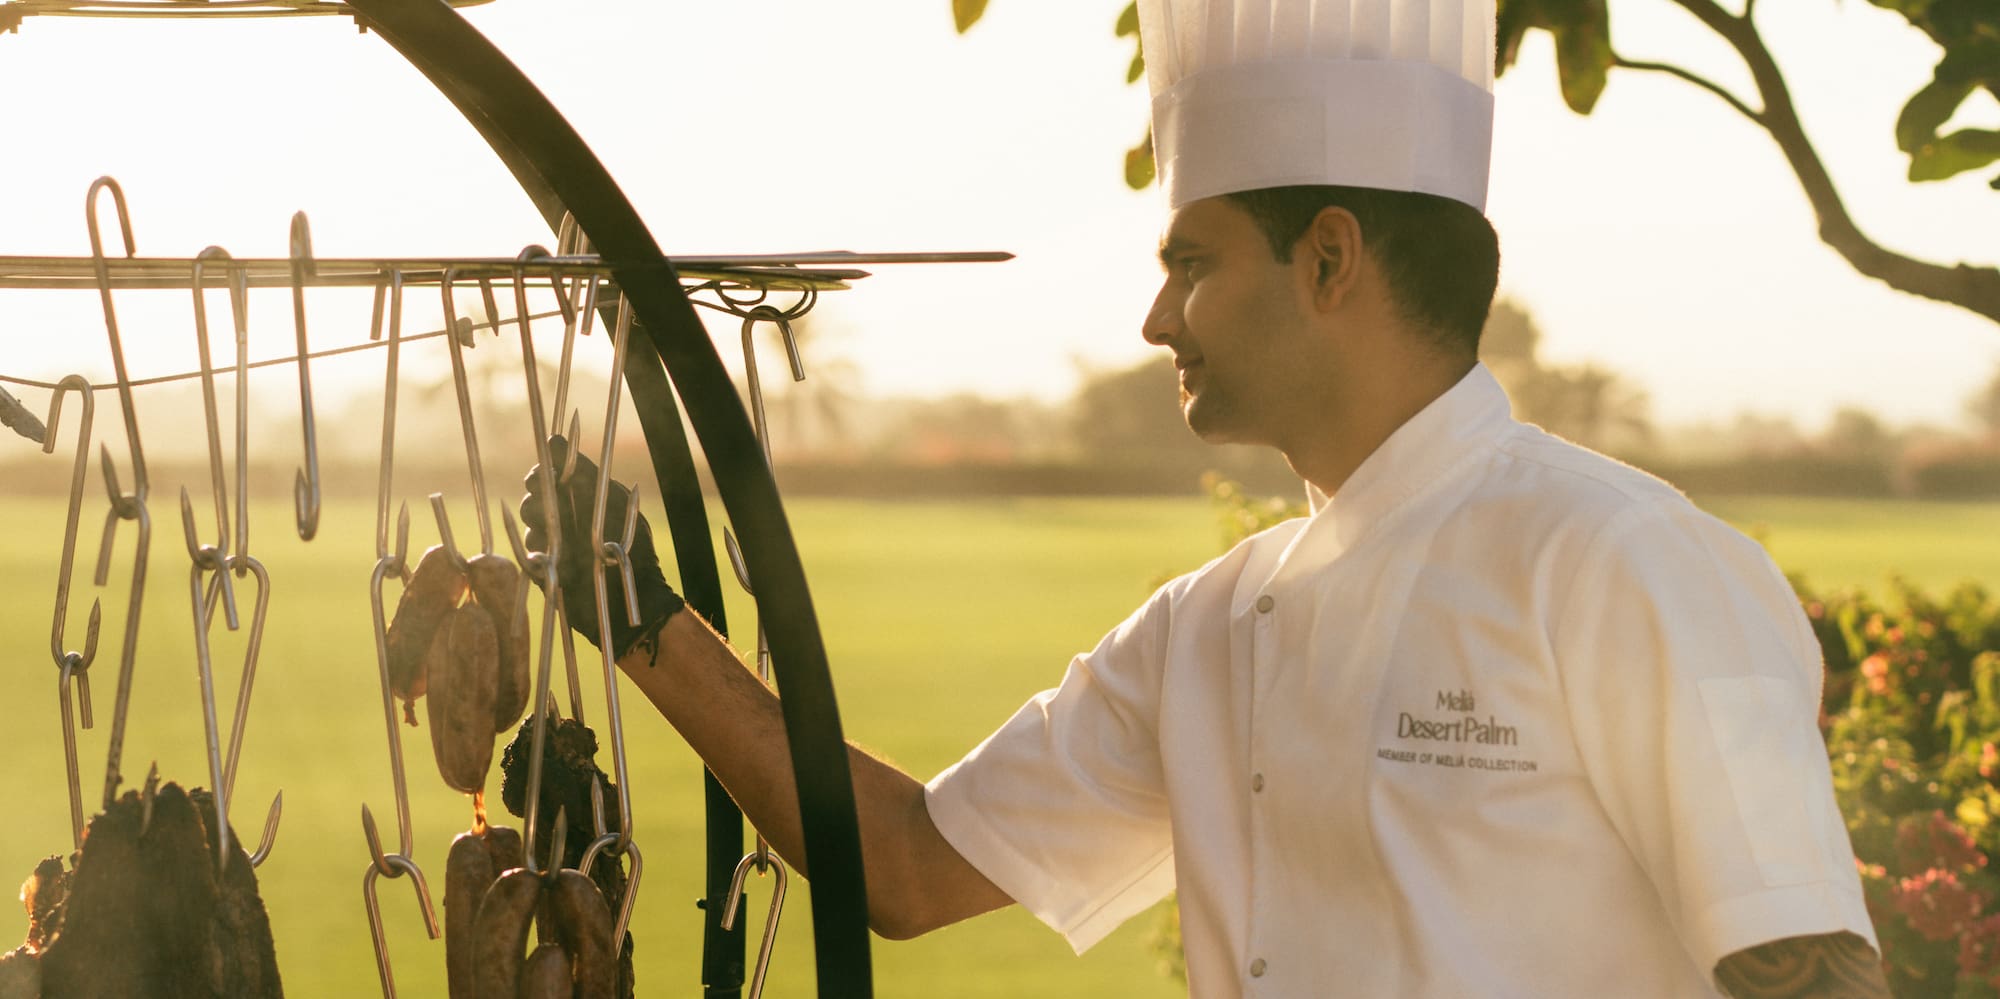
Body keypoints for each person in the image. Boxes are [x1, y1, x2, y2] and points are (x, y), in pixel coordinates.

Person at [519, 0, 1886, 994]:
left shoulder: (1623, 561)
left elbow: (1808, 967)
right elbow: (911, 867)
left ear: (1331, 260)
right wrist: (642, 614)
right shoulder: (1211, 627)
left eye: (1193, 262)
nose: (1156, 318)